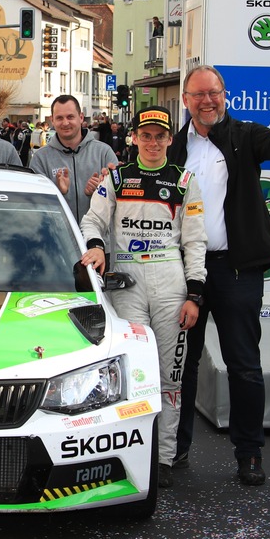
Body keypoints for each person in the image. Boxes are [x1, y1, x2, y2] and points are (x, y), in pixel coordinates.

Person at [168, 65, 270, 486]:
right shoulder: (173, 146)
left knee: (243, 364)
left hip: (236, 270)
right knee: (180, 364)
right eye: (199, 94)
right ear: (185, 100)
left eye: (215, 93)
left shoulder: (243, 134)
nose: (208, 101)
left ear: (225, 96)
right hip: (186, 270)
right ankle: (174, 449)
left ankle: (249, 453)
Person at [80, 106, 206, 490]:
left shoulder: (185, 181)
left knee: (170, 376)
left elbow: (195, 240)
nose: (153, 143)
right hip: (127, 281)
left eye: (160, 136)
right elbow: (92, 220)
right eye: (146, 135)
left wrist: (195, 294)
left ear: (170, 139)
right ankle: (129, 454)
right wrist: (97, 247)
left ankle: (164, 458)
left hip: (171, 284)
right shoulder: (117, 177)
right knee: (131, 371)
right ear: (134, 137)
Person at [29, 95, 119, 224]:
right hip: (59, 240)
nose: (65, 123)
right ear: (52, 120)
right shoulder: (40, 159)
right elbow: (34, 206)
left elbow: (119, 201)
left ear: (81, 117)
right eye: (59, 118)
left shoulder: (103, 152)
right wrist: (58, 193)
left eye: (70, 117)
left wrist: (100, 192)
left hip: (98, 240)